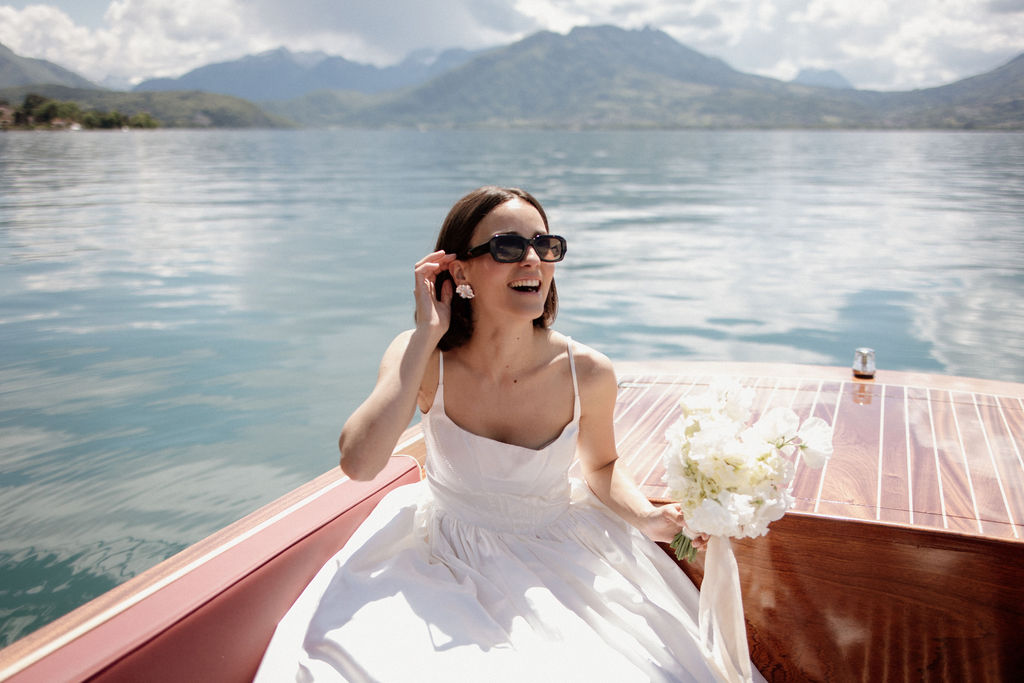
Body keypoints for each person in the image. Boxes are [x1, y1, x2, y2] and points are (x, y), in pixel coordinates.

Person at [254, 186, 763, 682]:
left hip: (562, 551)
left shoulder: (587, 371)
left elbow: (601, 467)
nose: (533, 261)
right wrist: (426, 334)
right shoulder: (422, 357)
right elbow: (360, 465)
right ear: (459, 269)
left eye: (545, 246)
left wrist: (650, 517)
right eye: (508, 247)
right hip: (438, 551)